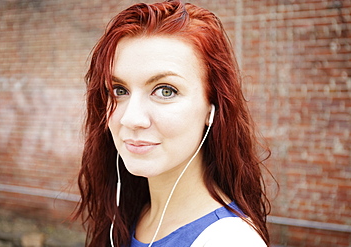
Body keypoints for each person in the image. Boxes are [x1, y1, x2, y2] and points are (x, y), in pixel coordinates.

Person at [74, 1, 272, 246]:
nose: (131, 118)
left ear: (213, 108)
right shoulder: (130, 214)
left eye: (165, 91)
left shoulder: (228, 240)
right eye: (119, 90)